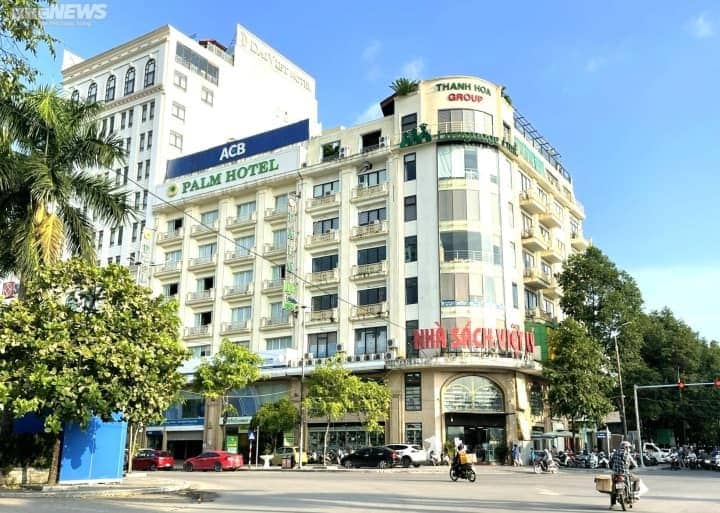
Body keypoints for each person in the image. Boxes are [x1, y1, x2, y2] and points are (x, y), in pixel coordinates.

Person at [610, 441, 638, 508]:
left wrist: (613, 469)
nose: (629, 449)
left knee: (613, 488)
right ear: (626, 447)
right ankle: (633, 494)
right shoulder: (627, 454)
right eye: (628, 447)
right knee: (637, 479)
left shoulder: (615, 453)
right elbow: (635, 465)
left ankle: (612, 503)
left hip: (616, 474)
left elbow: (610, 463)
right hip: (625, 474)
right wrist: (631, 467)